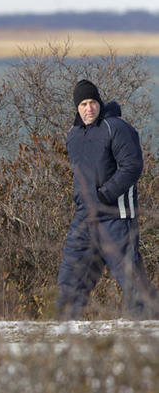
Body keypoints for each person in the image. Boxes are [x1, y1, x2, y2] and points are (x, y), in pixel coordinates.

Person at [56, 79, 158, 320]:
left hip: (116, 217)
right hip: (85, 217)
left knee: (131, 278)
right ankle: (63, 330)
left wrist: (105, 195)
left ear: (99, 103)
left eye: (92, 102)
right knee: (70, 275)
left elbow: (132, 166)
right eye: (83, 104)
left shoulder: (116, 127)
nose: (88, 108)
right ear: (77, 108)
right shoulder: (74, 135)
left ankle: (147, 330)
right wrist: (80, 199)